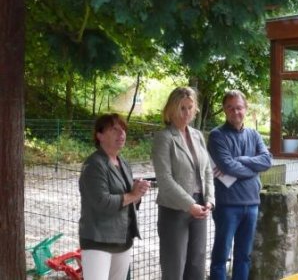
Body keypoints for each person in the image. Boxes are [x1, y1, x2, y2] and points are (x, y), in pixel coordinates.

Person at [207, 90, 272, 280]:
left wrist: (241, 160)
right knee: (221, 257)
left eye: (239, 107)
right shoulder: (217, 135)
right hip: (227, 205)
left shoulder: (253, 134)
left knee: (244, 256)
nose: (236, 112)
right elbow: (227, 165)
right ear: (224, 110)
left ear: (246, 108)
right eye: (230, 108)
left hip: (252, 204)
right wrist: (254, 169)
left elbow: (267, 161)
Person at [152, 87, 215, 280]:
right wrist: (189, 205)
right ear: (170, 110)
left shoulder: (197, 135)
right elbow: (165, 180)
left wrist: (210, 200)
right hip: (174, 209)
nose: (186, 113)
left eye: (190, 108)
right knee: (174, 267)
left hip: (201, 206)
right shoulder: (164, 138)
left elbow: (207, 170)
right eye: (181, 108)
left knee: (197, 264)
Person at [78, 113, 151, 280]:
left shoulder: (122, 162)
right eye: (114, 129)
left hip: (122, 240)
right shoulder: (94, 165)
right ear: (99, 135)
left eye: (123, 129)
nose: (122, 134)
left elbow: (130, 200)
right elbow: (102, 202)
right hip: (98, 241)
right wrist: (133, 194)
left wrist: (137, 192)